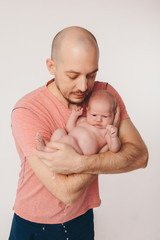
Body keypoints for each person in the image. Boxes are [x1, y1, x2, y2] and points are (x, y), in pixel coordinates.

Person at [9, 26, 148, 240]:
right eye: (73, 75)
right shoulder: (27, 111)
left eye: (91, 75)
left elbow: (140, 156)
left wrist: (78, 163)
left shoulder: (105, 95)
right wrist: (104, 149)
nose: (84, 86)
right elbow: (65, 192)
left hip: (82, 216)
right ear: (51, 66)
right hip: (35, 222)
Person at [37, 90, 121, 156]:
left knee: (69, 139)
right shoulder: (84, 120)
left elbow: (114, 149)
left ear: (113, 114)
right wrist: (74, 116)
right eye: (94, 115)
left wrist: (114, 137)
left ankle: (47, 150)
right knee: (60, 131)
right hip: (68, 143)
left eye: (105, 116)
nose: (98, 120)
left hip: (78, 152)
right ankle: (51, 149)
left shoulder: (106, 131)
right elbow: (69, 129)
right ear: (87, 110)